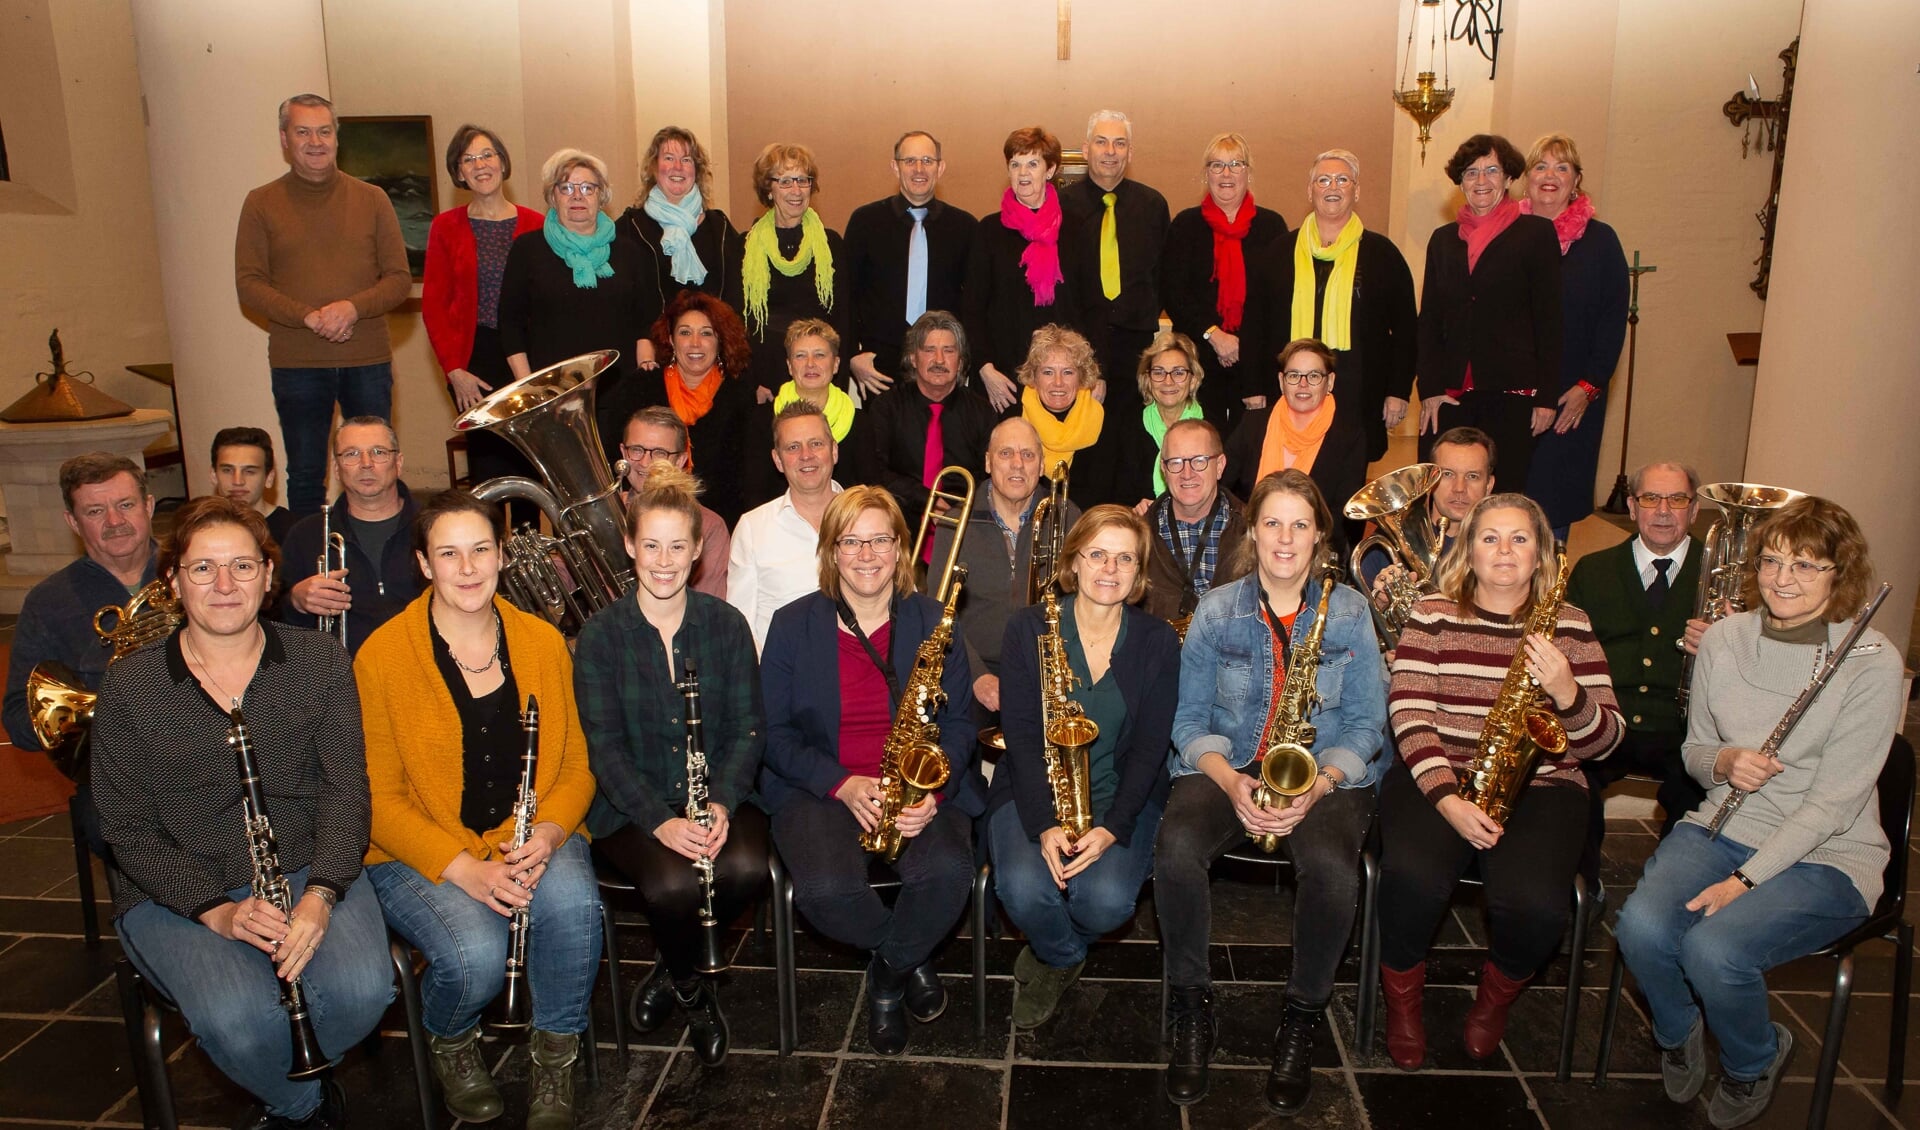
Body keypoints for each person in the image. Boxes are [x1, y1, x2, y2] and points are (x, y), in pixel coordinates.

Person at [91, 496, 390, 1129]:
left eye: (242, 567)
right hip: (178, 886)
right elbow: (124, 827)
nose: (224, 585)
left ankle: (289, 1098)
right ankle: (302, 1107)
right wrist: (218, 912)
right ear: (173, 581)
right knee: (241, 1020)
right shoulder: (130, 684)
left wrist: (321, 895)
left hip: (310, 864)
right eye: (203, 569)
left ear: (269, 576)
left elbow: (346, 790)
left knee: (362, 993)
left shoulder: (318, 661)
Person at [1614, 496, 1900, 1130]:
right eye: (1772, 561)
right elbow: (1695, 750)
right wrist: (1725, 763)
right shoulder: (1726, 639)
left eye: (1805, 564)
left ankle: (1753, 1063)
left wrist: (1744, 881)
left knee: (1715, 949)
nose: (1782, 578)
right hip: (1725, 823)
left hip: (1829, 851)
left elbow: (1833, 803)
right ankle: (1679, 1028)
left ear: (1840, 572)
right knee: (1641, 927)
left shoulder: (1872, 662)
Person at [356, 491, 600, 1129]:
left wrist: (549, 834)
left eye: (481, 550)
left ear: (501, 557)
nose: (467, 568)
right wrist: (463, 867)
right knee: (478, 957)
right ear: (424, 563)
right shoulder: (381, 657)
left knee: (574, 908)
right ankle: (451, 1037)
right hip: (422, 846)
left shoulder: (544, 642)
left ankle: (556, 1056)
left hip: (533, 830)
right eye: (449, 553)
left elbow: (577, 766)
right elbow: (375, 799)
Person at [1161, 470, 1387, 1113]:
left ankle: (1301, 1016)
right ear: (1251, 531)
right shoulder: (1216, 609)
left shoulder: (1348, 610)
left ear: (1319, 535)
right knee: (1175, 847)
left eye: (1299, 524)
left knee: (1333, 870)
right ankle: (1192, 1009)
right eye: (1271, 523)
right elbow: (1188, 722)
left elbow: (1368, 723)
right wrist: (1231, 781)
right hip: (1231, 767)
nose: (1284, 538)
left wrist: (1317, 786)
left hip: (1326, 773)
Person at [1377, 492, 1622, 1070]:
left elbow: (1605, 741)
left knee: (1537, 908)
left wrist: (1567, 690)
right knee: (1410, 877)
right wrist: (1447, 800)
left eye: (1520, 538)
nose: (1505, 550)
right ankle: (1403, 1001)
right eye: (1489, 538)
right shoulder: (1433, 612)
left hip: (1543, 787)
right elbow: (1409, 714)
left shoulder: (1572, 624)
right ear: (1469, 549)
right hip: (1436, 774)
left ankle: (1496, 996)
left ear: (1541, 553)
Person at [758, 486, 986, 1056]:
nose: (866, 554)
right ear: (831, 552)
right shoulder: (791, 626)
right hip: (820, 788)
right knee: (826, 889)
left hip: (916, 786)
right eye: (850, 541)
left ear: (901, 548)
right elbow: (773, 734)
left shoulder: (935, 621)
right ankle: (909, 956)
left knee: (949, 872)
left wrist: (933, 789)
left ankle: (885, 978)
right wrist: (843, 782)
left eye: (879, 539)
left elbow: (960, 725)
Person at [575, 463, 769, 1069]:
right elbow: (603, 747)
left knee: (745, 869)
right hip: (631, 807)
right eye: (650, 545)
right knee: (670, 883)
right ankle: (690, 988)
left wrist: (722, 801)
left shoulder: (727, 626)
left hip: (717, 795)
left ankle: (669, 960)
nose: (663, 560)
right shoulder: (601, 637)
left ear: (698, 552)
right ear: (629, 545)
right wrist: (660, 822)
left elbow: (748, 728)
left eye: (677, 546)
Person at [991, 505, 1176, 1028]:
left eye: (1125, 559)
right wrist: (1044, 824)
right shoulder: (1027, 628)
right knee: (1023, 892)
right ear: (1074, 561)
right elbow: (1022, 737)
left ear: (1139, 574)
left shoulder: (1158, 641)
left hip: (1122, 796)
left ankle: (1050, 954)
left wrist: (1114, 828)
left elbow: (1149, 748)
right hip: (1034, 792)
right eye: (1097, 554)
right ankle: (1064, 957)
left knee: (1108, 903)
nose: (1109, 569)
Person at [235, 93, 410, 518]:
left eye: (324, 131)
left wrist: (351, 308)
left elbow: (399, 280)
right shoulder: (261, 203)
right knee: (307, 472)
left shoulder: (372, 199)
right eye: (303, 132)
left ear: (336, 138)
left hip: (366, 358)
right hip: (297, 362)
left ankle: (383, 554)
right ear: (284, 139)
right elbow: (249, 286)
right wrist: (308, 317)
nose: (316, 141)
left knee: (376, 468)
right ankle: (314, 568)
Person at [1566, 462, 1710, 882]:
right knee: (1568, 777)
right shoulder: (1593, 569)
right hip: (1608, 718)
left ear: (1694, 509)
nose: (1663, 510)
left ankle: (1670, 886)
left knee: (1702, 790)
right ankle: (1583, 886)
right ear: (1632, 506)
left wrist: (1727, 644)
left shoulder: (1720, 574)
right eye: (1651, 498)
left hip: (1686, 727)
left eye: (1677, 499)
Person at [1415, 134, 1563, 492]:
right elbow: (1430, 319)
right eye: (1471, 173)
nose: (1481, 182)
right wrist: (1430, 389)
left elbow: (1551, 321)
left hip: (1512, 396)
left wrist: (1546, 397)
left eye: (1491, 171)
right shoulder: (1443, 239)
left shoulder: (1536, 234)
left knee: (1501, 497)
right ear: (1460, 182)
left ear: (1509, 178)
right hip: (1451, 395)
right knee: (1439, 496)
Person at [1253, 149, 1418, 463]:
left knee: (1348, 485)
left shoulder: (1383, 255)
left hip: (1358, 394)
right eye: (1323, 180)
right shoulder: (1279, 252)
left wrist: (1398, 391)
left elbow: (1407, 331)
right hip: (1290, 393)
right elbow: (1256, 324)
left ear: (1356, 191)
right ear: (1310, 190)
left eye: (1343, 180)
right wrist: (1254, 387)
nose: (1332, 187)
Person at [496, 147, 659, 462]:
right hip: (553, 395)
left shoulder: (629, 252)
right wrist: (529, 390)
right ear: (552, 196)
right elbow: (510, 322)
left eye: (587, 188)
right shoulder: (528, 250)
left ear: (602, 196)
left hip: (619, 393)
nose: (577, 196)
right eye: (566, 187)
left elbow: (647, 319)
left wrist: (643, 380)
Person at [3, 455, 159, 774]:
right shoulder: (48, 602)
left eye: (126, 505)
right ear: (73, 522)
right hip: (116, 777)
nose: (115, 522)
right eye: (95, 511)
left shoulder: (198, 571)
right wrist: (104, 715)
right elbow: (19, 718)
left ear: (150, 506)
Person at [928, 417, 1083, 729]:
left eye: (1028, 455)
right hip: (971, 664)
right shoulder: (955, 522)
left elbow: (1080, 603)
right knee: (952, 746)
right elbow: (938, 609)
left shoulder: (1068, 517)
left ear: (1041, 465)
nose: (1017, 465)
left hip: (1045, 668)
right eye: (1005, 454)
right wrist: (977, 675)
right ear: (987, 462)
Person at [1517, 134, 1630, 538]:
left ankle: (1546, 597)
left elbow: (1612, 320)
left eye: (1561, 167)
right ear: (1526, 179)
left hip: (1570, 397)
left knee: (1550, 510)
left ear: (1576, 180)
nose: (1550, 176)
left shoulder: (1601, 242)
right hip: (1510, 397)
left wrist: (1588, 387)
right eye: (1540, 167)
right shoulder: (1506, 234)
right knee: (1503, 505)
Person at [422, 123, 545, 486]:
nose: (480, 165)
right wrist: (453, 370)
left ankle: (529, 543)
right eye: (469, 159)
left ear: (503, 162)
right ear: (459, 172)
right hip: (473, 362)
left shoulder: (537, 224)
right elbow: (434, 306)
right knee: (488, 466)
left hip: (527, 358)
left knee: (531, 465)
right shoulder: (446, 227)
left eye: (487, 154)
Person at [1161, 132, 1288, 432]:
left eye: (1235, 164)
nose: (1226, 173)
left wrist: (1247, 344)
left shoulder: (1272, 227)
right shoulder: (1185, 225)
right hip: (1198, 361)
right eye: (1217, 165)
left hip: (1256, 362)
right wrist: (1214, 334)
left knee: (1253, 450)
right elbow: (1173, 292)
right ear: (1206, 174)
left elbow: (1278, 299)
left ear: (1249, 172)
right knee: (1203, 443)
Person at [844, 131, 977, 397]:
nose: (919, 169)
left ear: (940, 168)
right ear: (895, 166)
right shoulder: (865, 222)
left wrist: (964, 360)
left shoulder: (965, 228)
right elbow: (845, 296)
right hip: (878, 369)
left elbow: (973, 304)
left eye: (927, 160)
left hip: (942, 366)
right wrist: (851, 355)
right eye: (910, 161)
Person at [279, 417, 427, 654]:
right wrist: (296, 601)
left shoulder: (435, 526)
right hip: (342, 681)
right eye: (351, 454)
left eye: (378, 452)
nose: (366, 464)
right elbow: (273, 620)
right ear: (336, 469)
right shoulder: (304, 535)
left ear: (398, 463)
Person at [964, 126, 1085, 414]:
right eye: (1015, 164)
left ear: (1050, 169)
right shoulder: (988, 230)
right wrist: (984, 368)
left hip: (1060, 380)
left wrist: (1090, 374)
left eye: (1032, 164)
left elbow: (1091, 306)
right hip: (1001, 382)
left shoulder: (1077, 230)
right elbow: (972, 307)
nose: (1023, 173)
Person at [1060, 110, 1170, 416]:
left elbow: (1163, 276)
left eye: (1120, 144)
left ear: (1130, 152)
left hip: (1136, 345)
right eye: (1101, 142)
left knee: (1133, 437)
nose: (1110, 152)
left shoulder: (1153, 206)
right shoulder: (1060, 207)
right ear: (1085, 149)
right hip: (1077, 342)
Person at [1223, 339, 1368, 555]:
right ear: (1281, 382)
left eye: (1313, 376)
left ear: (1330, 382)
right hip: (1251, 546)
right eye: (1294, 376)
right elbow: (1223, 489)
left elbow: (1345, 516)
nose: (1303, 384)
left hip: (1317, 550)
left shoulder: (1349, 435)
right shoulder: (1253, 424)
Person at [631, 291, 758, 525]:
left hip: (720, 524)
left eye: (706, 333)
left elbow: (748, 479)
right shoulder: (641, 388)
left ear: (720, 341)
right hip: (644, 519)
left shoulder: (739, 395)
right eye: (685, 332)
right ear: (671, 339)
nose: (695, 343)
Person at [728, 401, 844, 650]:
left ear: (834, 451)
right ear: (778, 460)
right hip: (782, 680)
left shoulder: (869, 519)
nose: (806, 455)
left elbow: (899, 601)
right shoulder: (752, 528)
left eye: (816, 443)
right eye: (793, 447)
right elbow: (741, 628)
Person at [740, 143, 852, 399]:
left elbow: (842, 319)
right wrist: (751, 382)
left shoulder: (831, 244)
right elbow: (738, 323)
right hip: (764, 384)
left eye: (803, 180)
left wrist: (837, 383)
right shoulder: (744, 247)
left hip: (818, 378)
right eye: (786, 181)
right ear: (769, 189)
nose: (796, 190)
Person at [865, 310, 997, 524]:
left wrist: (957, 509)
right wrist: (926, 499)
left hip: (966, 524)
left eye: (949, 351)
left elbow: (992, 476)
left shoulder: (982, 413)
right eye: (929, 350)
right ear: (913, 358)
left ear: (961, 362)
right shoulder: (886, 408)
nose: (939, 360)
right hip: (900, 524)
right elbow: (875, 472)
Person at [616, 125, 745, 314]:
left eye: (686, 160)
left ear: (697, 170)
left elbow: (736, 296)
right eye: (669, 158)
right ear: (654, 167)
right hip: (652, 341)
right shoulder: (630, 227)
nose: (677, 167)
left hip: (711, 339)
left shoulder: (720, 227)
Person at [1361, 425, 1496, 602]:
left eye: (1472, 476)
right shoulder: (1388, 544)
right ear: (1430, 481)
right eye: (1448, 474)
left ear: (1488, 485)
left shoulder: (1500, 548)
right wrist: (1380, 602)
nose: (1459, 488)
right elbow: (1358, 621)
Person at [1143, 420, 1248, 629]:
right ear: (1163, 469)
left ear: (1219, 466)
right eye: (1175, 462)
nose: (1187, 473)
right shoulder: (1138, 533)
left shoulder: (1254, 532)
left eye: (1199, 460)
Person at [619, 407, 730, 598]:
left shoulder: (709, 525)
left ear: (680, 461)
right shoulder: (601, 513)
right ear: (623, 452)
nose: (645, 463)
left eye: (660, 453)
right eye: (636, 450)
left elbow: (708, 608)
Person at [1109, 331, 1209, 510]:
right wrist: (1133, 509)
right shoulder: (1125, 425)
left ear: (1193, 380)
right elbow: (1115, 497)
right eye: (1159, 372)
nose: (1168, 381)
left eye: (1178, 373)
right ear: (1147, 379)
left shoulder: (1212, 427)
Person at [1016, 324, 1110, 509]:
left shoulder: (1106, 424)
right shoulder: (1013, 421)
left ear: (1082, 377)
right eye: (1048, 372)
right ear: (1033, 377)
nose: (1058, 383)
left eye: (1068, 372)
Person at [209, 426, 296, 548]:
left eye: (249, 471)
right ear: (214, 476)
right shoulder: (200, 529)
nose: (237, 481)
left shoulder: (292, 533)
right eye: (227, 470)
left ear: (269, 478)